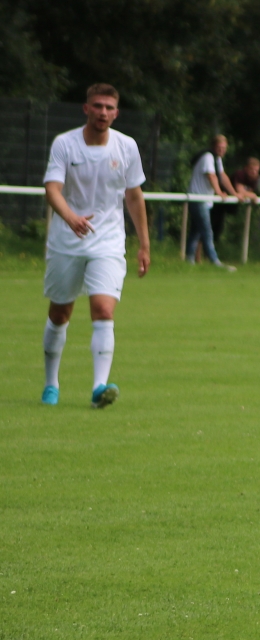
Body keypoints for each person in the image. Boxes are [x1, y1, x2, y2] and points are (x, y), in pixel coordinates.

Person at [40, 83, 152, 408]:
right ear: (86, 109)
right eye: (98, 106)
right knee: (60, 312)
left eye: (109, 107)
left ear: (116, 113)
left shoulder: (127, 146)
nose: (103, 112)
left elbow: (134, 196)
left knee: (103, 309)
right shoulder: (65, 144)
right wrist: (71, 218)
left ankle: (99, 387)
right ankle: (51, 384)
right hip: (67, 241)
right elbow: (52, 188)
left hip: (109, 242)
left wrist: (144, 244)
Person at [186, 134, 248, 269]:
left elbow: (222, 176)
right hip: (199, 199)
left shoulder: (216, 159)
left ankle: (189, 261)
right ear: (214, 147)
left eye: (224, 148)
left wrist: (234, 193)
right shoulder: (208, 157)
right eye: (219, 147)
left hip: (204, 200)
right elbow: (211, 176)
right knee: (207, 232)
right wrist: (219, 192)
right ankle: (214, 261)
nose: (222, 150)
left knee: (195, 232)